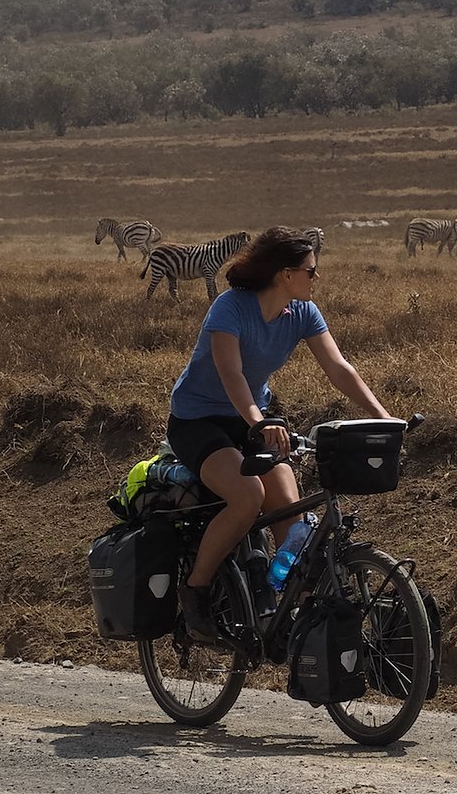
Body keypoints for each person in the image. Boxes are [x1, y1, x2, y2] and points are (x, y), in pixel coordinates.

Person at [163, 226, 393, 647]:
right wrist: (257, 422)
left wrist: (382, 417)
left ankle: (280, 607)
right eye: (311, 270)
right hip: (200, 420)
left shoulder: (303, 312)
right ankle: (195, 592)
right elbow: (231, 375)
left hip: (255, 417)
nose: (316, 278)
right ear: (285, 274)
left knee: (293, 518)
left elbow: (340, 369)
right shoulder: (230, 307)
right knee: (248, 496)